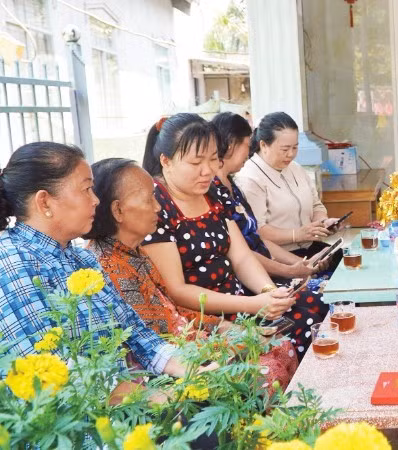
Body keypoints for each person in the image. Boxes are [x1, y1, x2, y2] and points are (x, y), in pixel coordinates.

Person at [0, 142, 210, 390]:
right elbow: (52, 377)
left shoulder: (81, 259)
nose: (96, 200)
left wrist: (195, 370)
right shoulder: (11, 262)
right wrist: (153, 397)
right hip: (88, 409)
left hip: (127, 399)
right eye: (86, 189)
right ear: (45, 202)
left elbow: (137, 335)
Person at [85, 158, 298, 389]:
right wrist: (237, 342)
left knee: (280, 344)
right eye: (149, 199)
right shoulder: (109, 267)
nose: (158, 207)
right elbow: (157, 340)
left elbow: (176, 311)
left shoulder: (132, 252)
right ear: (118, 210)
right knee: (270, 364)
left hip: (192, 343)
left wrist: (232, 329)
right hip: (175, 369)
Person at [140, 113, 318, 359]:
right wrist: (255, 304)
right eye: (196, 162)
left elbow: (242, 256)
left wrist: (268, 291)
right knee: (302, 329)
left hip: (241, 300)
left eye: (213, 159)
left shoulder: (212, 193)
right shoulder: (156, 206)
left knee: (317, 306)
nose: (207, 171)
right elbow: (177, 290)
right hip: (204, 319)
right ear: (166, 161)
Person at [209, 112, 328, 318]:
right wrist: (290, 270)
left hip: (269, 269)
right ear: (230, 145)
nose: (249, 152)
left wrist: (298, 266)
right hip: (256, 277)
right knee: (317, 306)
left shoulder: (231, 186)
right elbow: (248, 248)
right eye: (248, 145)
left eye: (295, 148)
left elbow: (255, 240)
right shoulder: (234, 184)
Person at [235, 112, 343, 266]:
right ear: (263, 145)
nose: (291, 154)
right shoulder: (250, 178)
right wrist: (296, 235)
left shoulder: (296, 169)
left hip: (309, 247)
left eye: (295, 147)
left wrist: (323, 223)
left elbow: (316, 205)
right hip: (278, 258)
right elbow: (257, 231)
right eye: (285, 149)